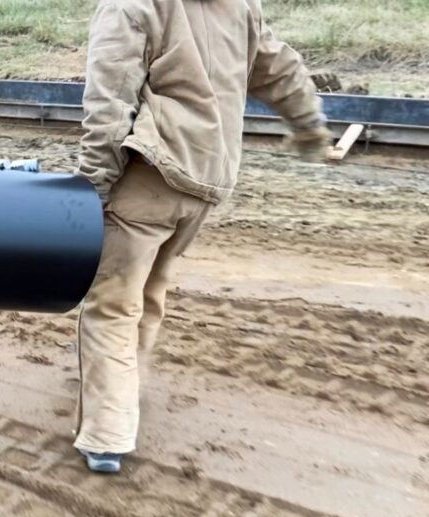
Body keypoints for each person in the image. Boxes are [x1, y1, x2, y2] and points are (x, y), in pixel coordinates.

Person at [73, 0, 330, 474]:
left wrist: (93, 188)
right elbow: (278, 67)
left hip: (148, 177)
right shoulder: (241, 6)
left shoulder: (130, 6)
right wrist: (308, 124)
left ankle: (107, 435)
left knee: (112, 304)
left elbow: (108, 103)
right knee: (150, 291)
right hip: (208, 181)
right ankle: (126, 391)